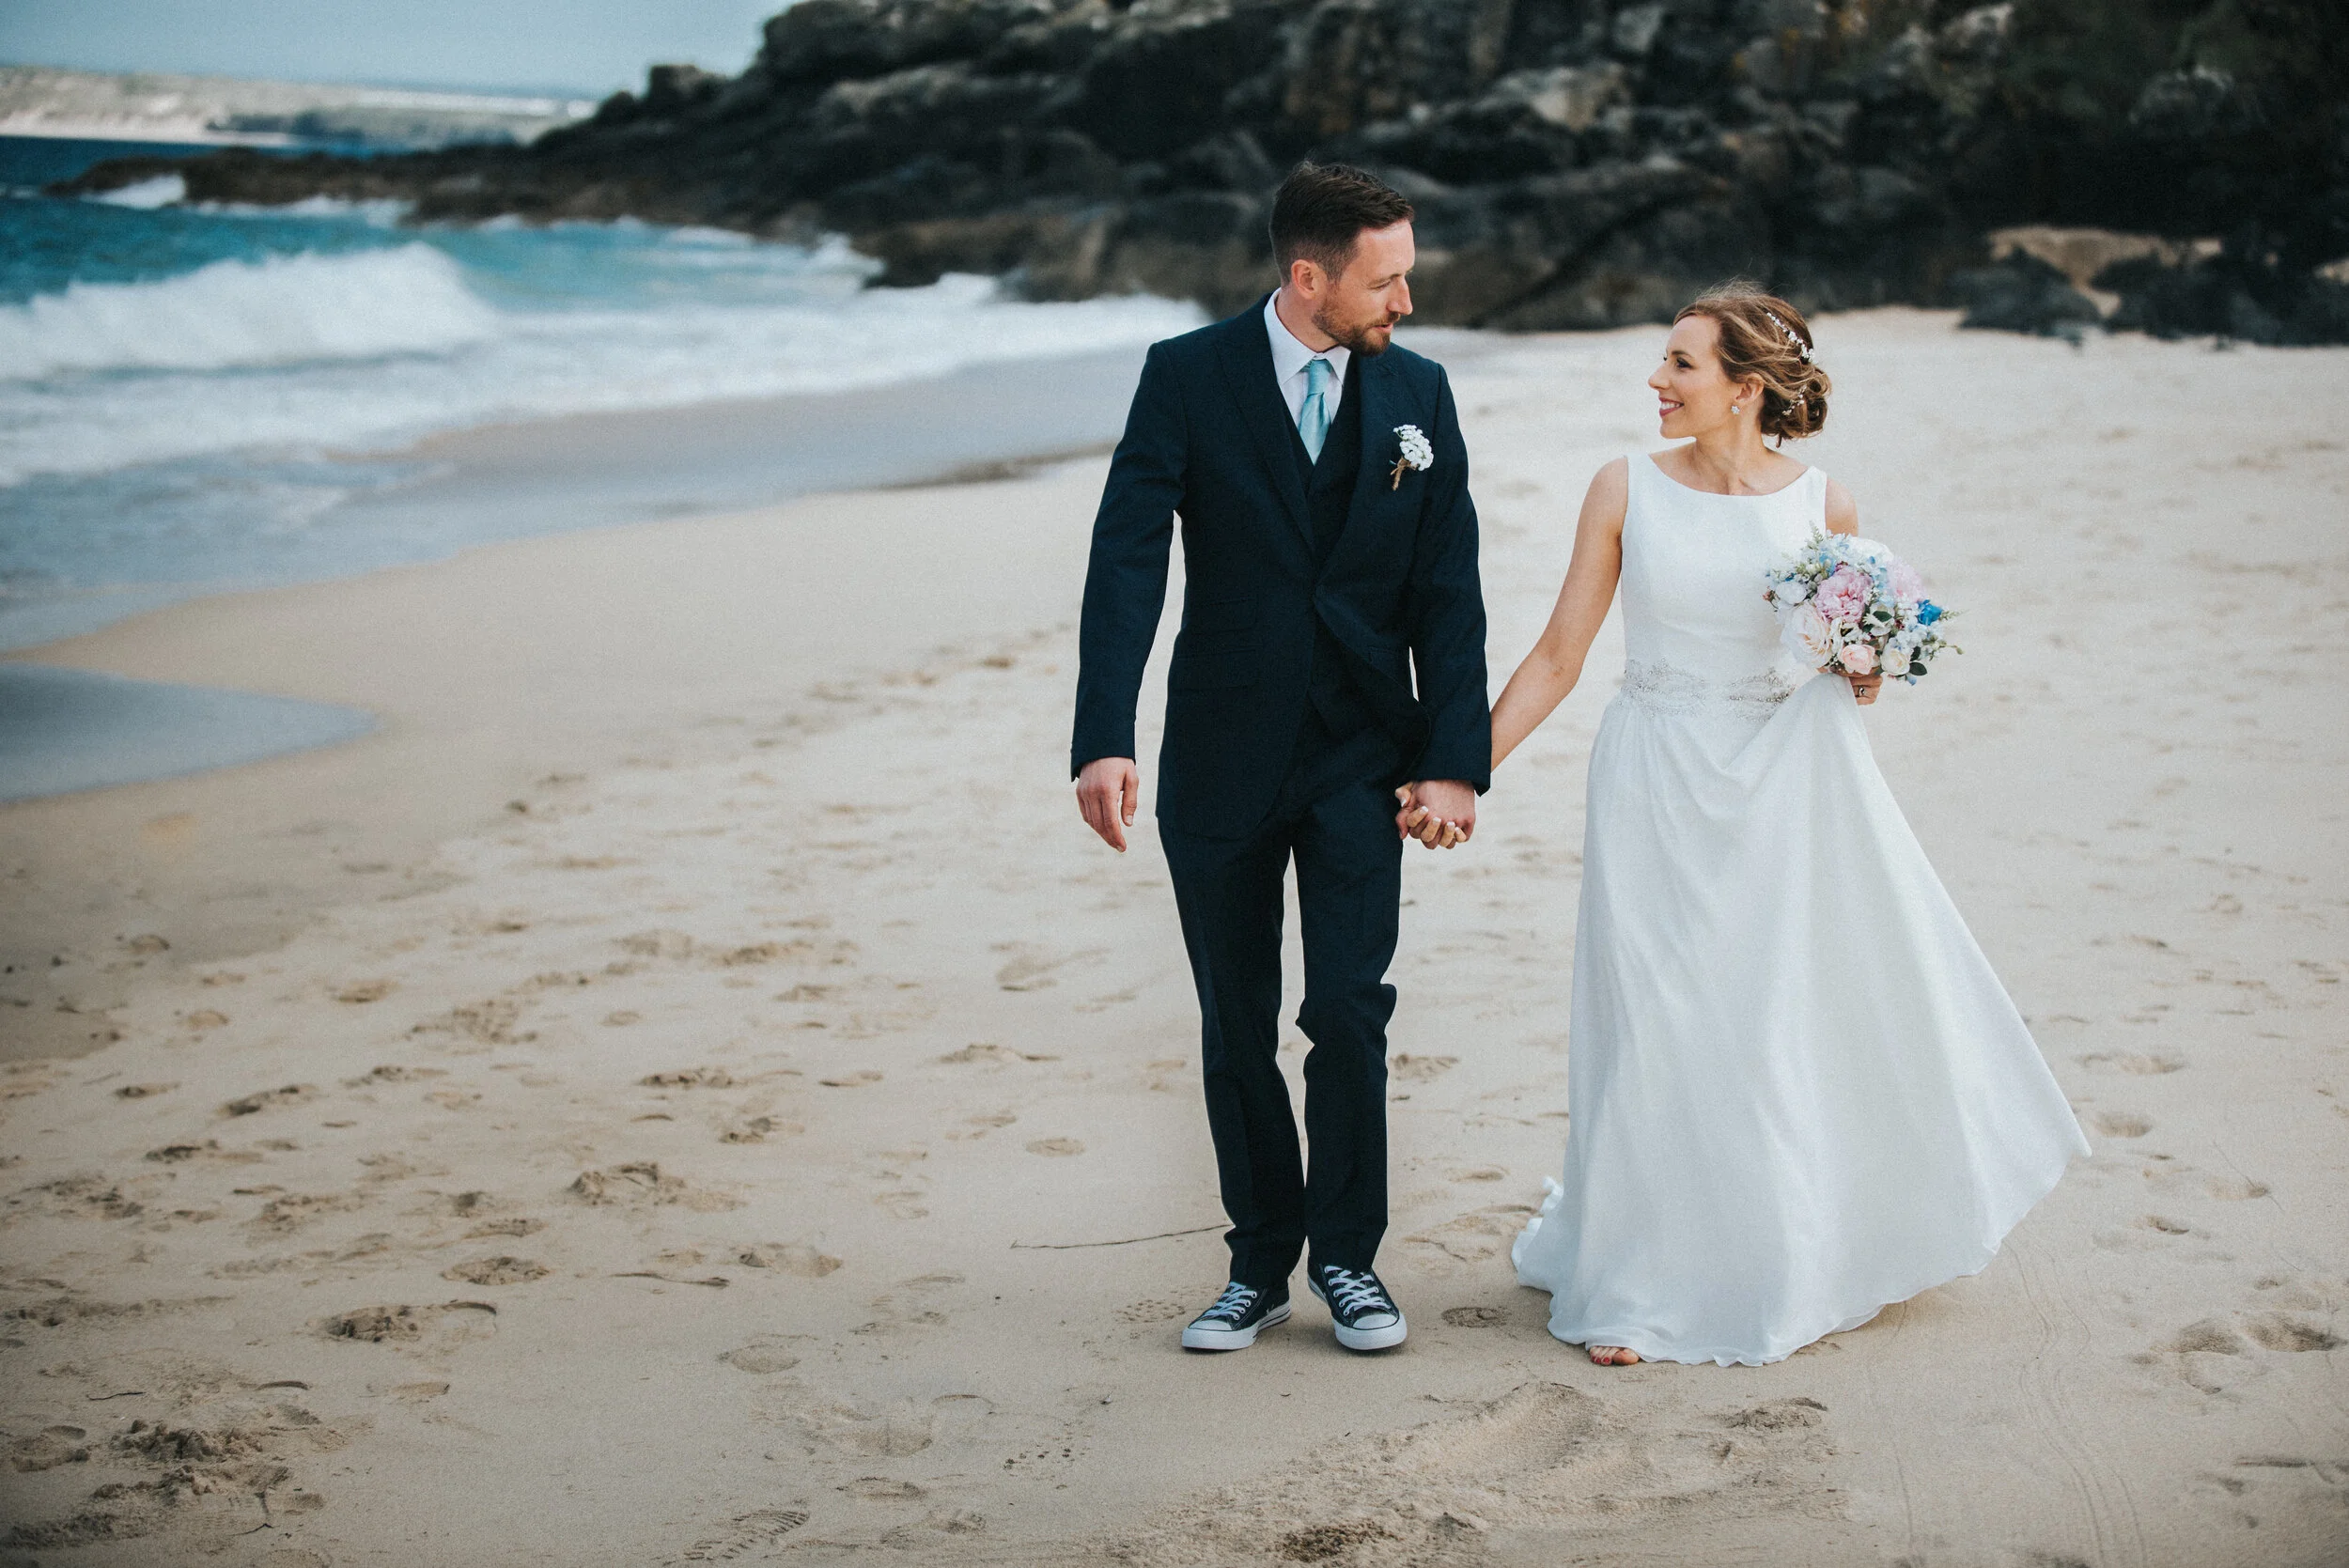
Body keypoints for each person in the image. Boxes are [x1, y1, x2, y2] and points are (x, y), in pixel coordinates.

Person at [1481, 284, 2087, 1367]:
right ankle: (1639, 1275)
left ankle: (1775, 1252)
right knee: (1656, 1012)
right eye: (1661, 363)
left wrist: (1864, 664)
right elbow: (1561, 656)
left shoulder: (1825, 507)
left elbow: (1854, 678)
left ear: (1744, 388)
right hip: (1657, 777)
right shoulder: (1622, 489)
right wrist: (1461, 772)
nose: (1656, 382)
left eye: (1680, 365)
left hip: (1785, 787)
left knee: (1760, 1016)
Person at [1070, 163, 1489, 1354]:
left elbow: (1448, 590)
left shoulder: (1421, 392)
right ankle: (1257, 1264)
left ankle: (1349, 1260)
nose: (1405, 301)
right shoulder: (1186, 377)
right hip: (1219, 753)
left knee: (1349, 1011)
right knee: (1235, 1018)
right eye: (1386, 278)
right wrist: (1105, 734)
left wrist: (1455, 758)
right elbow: (1127, 561)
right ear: (1308, 276)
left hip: (1365, 753)